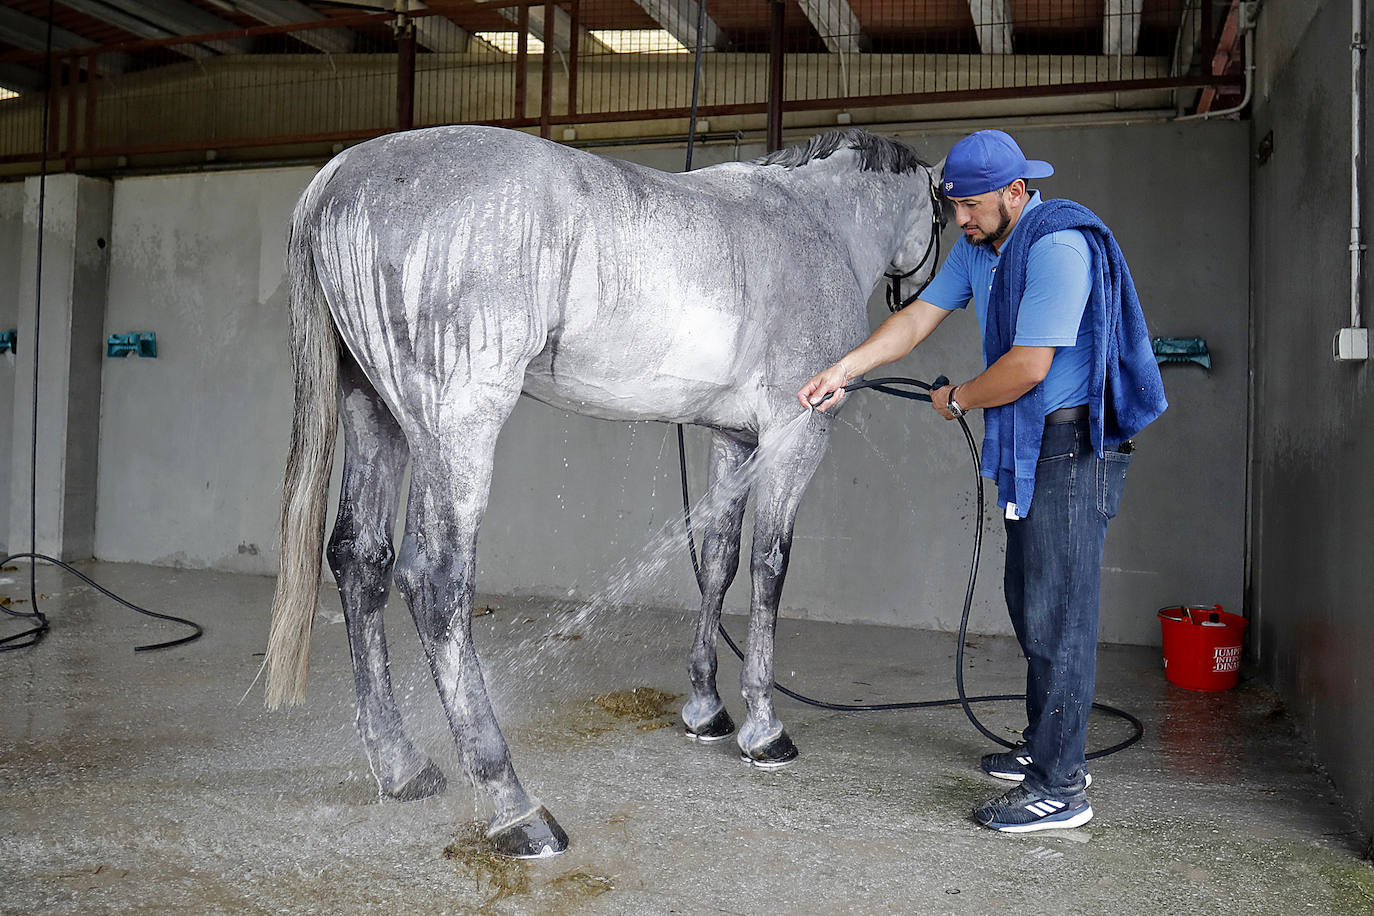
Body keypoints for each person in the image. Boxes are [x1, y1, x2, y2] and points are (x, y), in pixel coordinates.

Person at [797, 129, 1167, 833]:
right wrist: (844, 370)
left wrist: (960, 397)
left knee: (1060, 615)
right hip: (1033, 446)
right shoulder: (980, 249)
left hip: (1072, 447)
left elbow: (1029, 368)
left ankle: (1062, 787)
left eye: (971, 206)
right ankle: (1046, 749)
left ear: (1016, 192)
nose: (960, 219)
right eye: (955, 206)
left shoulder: (1058, 246)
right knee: (1029, 602)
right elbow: (916, 319)